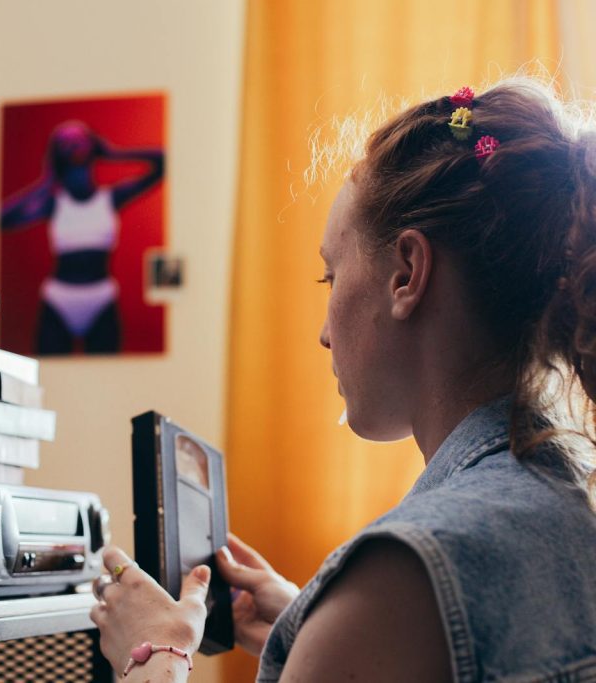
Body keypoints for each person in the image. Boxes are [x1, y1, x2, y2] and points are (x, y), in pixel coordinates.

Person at [91, 78, 596, 681]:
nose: (323, 335)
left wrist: (155, 653)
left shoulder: (404, 577)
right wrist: (315, 621)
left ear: (407, 272)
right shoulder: (568, 498)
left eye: (330, 278)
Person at [0, 120, 164, 354]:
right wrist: (47, 180)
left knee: (107, 377)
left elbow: (164, 163)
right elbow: (2, 219)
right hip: (59, 300)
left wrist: (113, 153)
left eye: (80, 139)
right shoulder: (53, 203)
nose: (74, 145)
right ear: (57, 154)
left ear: (92, 145)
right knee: (50, 378)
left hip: (102, 298)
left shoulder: (111, 197)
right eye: (66, 142)